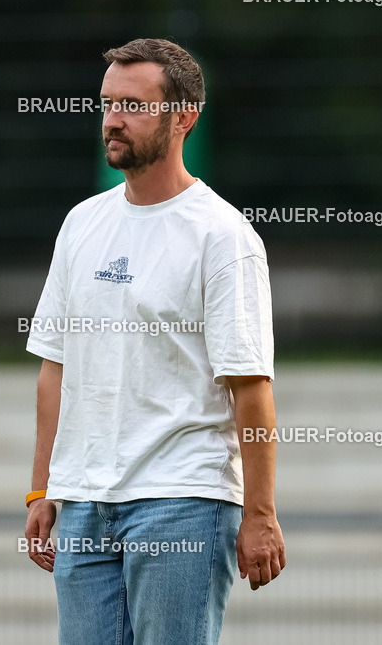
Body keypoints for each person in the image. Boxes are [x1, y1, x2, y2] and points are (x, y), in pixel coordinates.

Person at [23, 38, 285, 644]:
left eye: (133, 105)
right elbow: (54, 367)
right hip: (84, 501)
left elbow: (251, 386)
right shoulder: (81, 223)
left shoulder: (223, 236)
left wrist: (261, 514)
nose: (113, 119)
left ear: (184, 116)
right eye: (107, 103)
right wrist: (44, 487)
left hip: (182, 501)